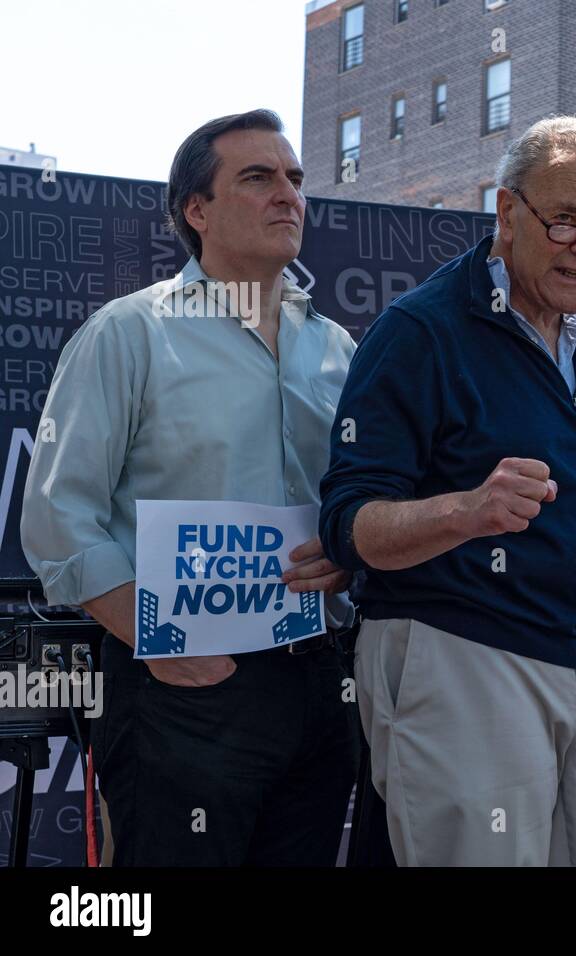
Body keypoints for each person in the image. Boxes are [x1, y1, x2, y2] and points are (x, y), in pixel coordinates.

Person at [20, 109, 360, 866]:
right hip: (178, 689)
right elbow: (56, 514)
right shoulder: (129, 333)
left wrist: (349, 553)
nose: (288, 196)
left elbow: (354, 500)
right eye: (258, 178)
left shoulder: (336, 348)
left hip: (317, 678)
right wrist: (158, 640)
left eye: (295, 180)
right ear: (195, 211)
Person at [318, 116, 576, 867]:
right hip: (464, 653)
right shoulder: (420, 330)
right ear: (507, 213)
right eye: (567, 221)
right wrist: (466, 511)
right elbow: (348, 524)